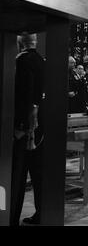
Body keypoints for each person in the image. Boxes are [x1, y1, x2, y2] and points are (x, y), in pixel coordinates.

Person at [10, 33, 45, 226]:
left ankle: (10, 217)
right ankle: (42, 213)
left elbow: (26, 93)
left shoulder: (21, 61)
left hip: (24, 129)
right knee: (38, 174)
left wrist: (20, 127)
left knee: (17, 176)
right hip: (41, 129)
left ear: (19, 42)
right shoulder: (42, 61)